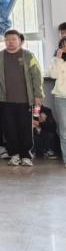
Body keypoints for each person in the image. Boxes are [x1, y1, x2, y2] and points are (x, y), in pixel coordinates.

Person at [0, 29, 44, 167]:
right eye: (7, 39)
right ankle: (14, 155)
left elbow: (37, 77)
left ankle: (26, 155)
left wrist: (38, 95)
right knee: (9, 129)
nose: (10, 42)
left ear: (20, 40)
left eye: (13, 39)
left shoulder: (28, 56)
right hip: (5, 100)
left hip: (25, 100)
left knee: (25, 129)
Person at [50, 36, 66, 165]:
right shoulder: (55, 60)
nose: (65, 47)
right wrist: (58, 59)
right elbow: (53, 75)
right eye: (63, 45)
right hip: (60, 97)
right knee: (64, 128)